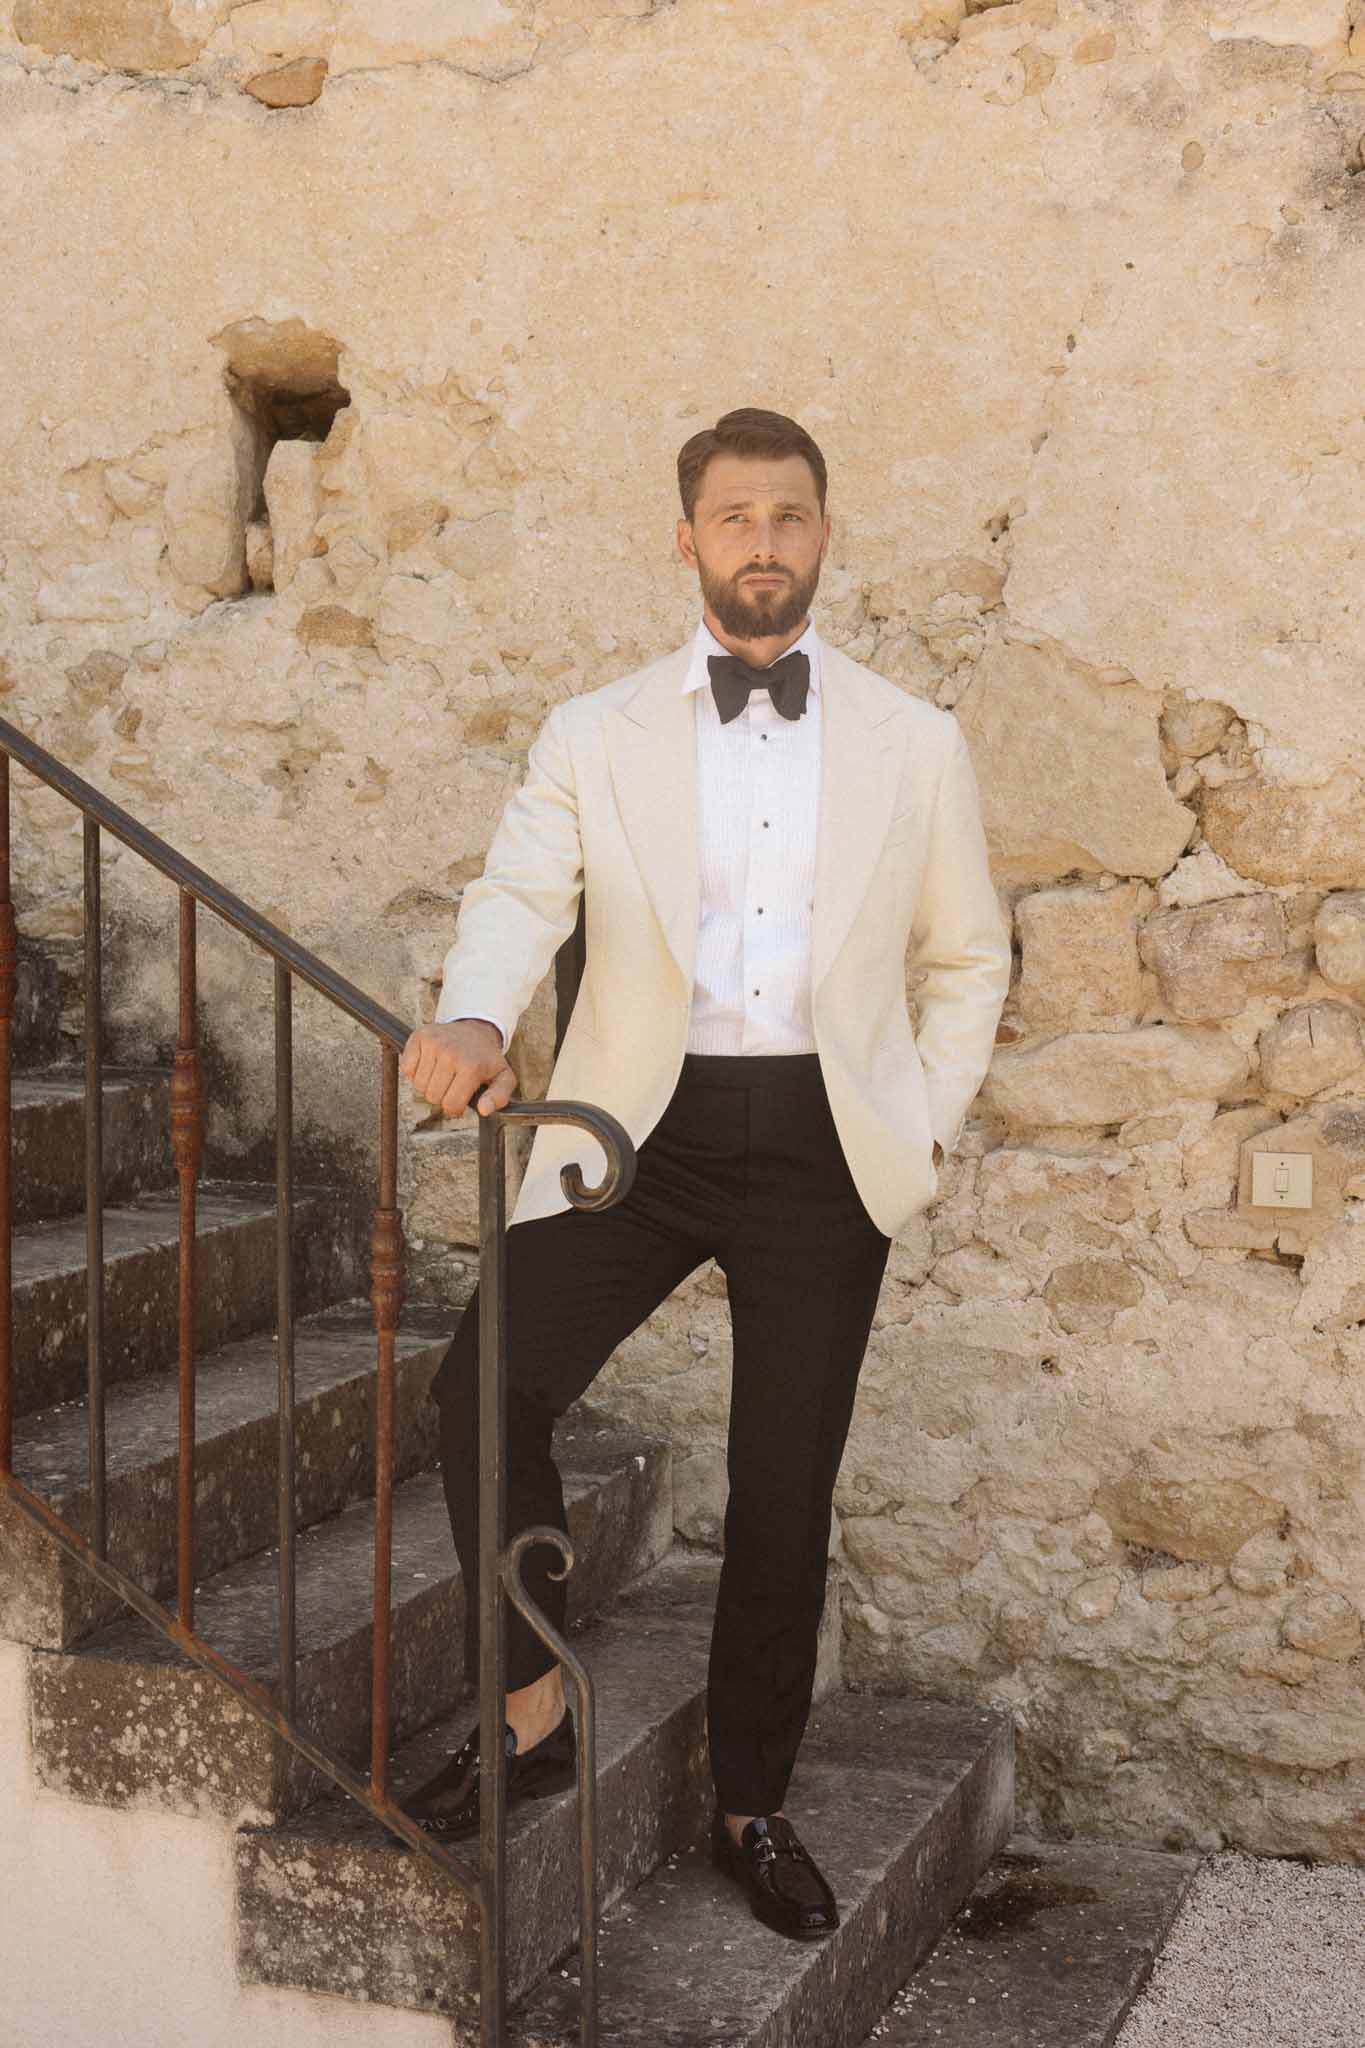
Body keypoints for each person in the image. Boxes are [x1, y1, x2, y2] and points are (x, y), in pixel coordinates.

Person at [398, 406, 1011, 1940]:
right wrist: (475, 1008)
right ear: (685, 540)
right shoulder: (593, 731)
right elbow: (520, 889)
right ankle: (531, 1712)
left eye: (788, 516)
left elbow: (965, 958)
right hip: (633, 1140)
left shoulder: (911, 740)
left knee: (781, 1490)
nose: (761, 542)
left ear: (823, 533)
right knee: (482, 1392)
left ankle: (751, 1796)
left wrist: (918, 1126)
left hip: (826, 1148)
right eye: (731, 517)